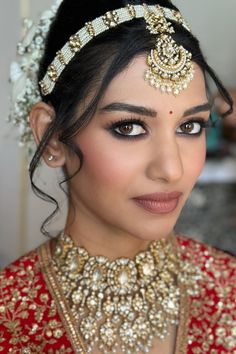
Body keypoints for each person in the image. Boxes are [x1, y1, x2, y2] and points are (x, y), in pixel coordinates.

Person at [0, 0, 235, 353]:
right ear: (51, 136)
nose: (172, 170)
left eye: (191, 125)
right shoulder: (9, 317)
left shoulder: (229, 290)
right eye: (129, 127)